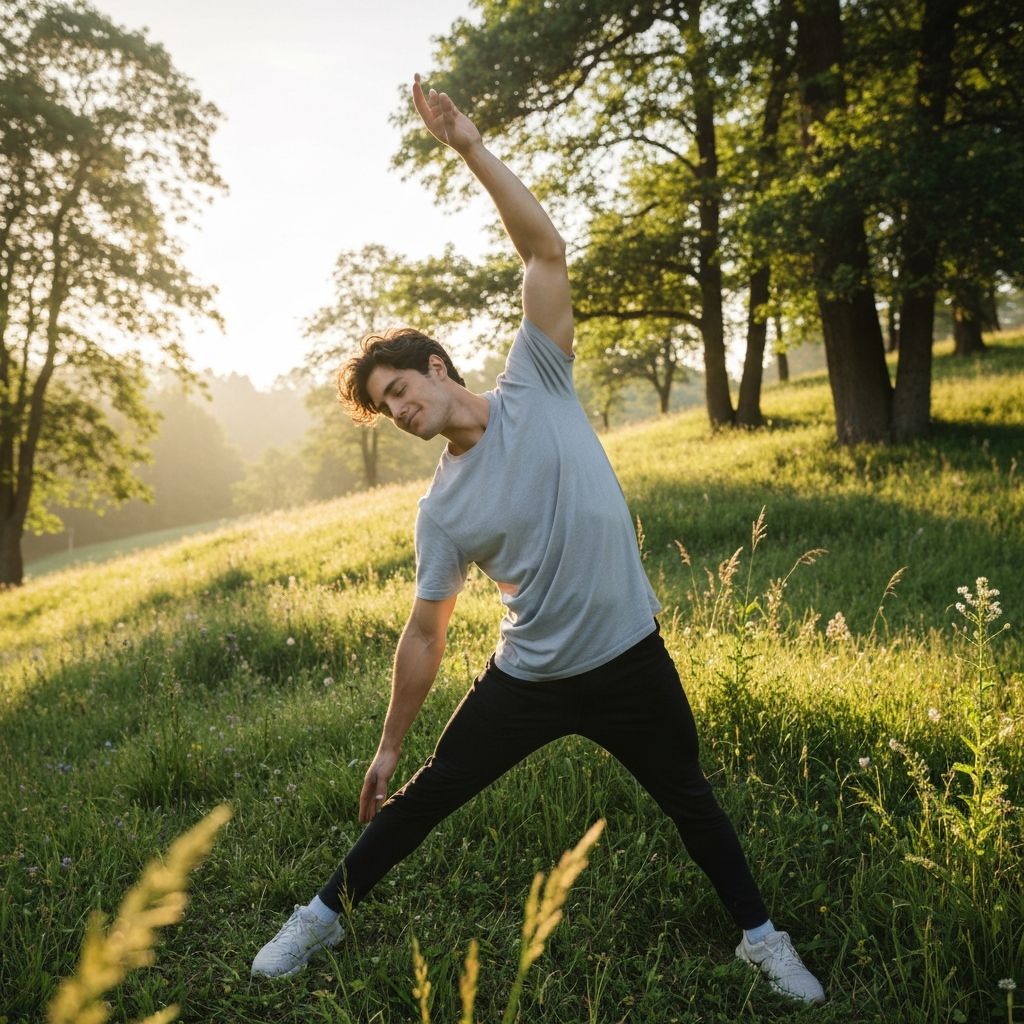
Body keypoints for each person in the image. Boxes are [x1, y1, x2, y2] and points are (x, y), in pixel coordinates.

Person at [250, 74, 826, 1006]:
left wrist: (471, 147)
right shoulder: (442, 509)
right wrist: (390, 746)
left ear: (436, 368)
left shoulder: (538, 379)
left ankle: (762, 940)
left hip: (631, 656)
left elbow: (546, 250)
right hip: (530, 676)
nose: (401, 413)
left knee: (691, 799)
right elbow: (427, 632)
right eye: (388, 409)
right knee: (428, 797)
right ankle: (317, 918)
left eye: (403, 391)